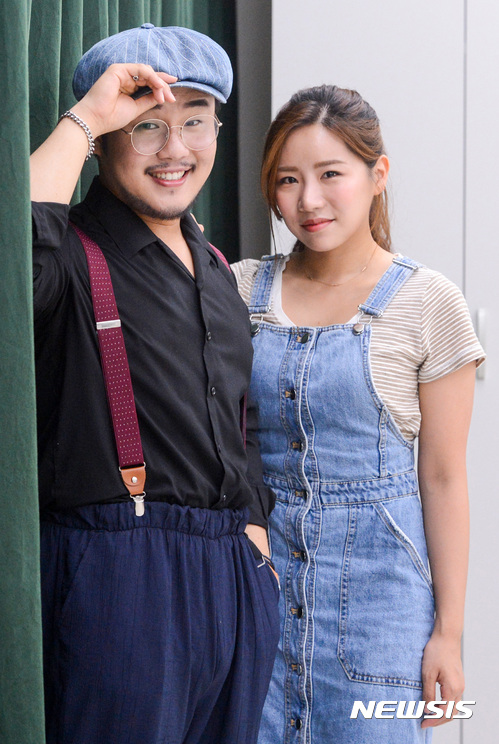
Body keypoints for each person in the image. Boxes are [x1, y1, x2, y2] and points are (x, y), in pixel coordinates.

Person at [30, 24, 279, 744]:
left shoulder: (216, 266)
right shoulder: (70, 255)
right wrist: (83, 119)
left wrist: (253, 532)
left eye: (195, 122)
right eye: (146, 126)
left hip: (232, 572)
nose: (176, 150)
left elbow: (237, 419)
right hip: (121, 576)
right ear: (105, 139)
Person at [232, 84, 485, 743]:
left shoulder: (429, 302)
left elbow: (443, 478)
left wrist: (449, 634)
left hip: (381, 616)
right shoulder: (237, 289)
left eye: (330, 174)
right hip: (255, 597)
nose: (308, 201)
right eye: (288, 180)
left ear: (378, 174)